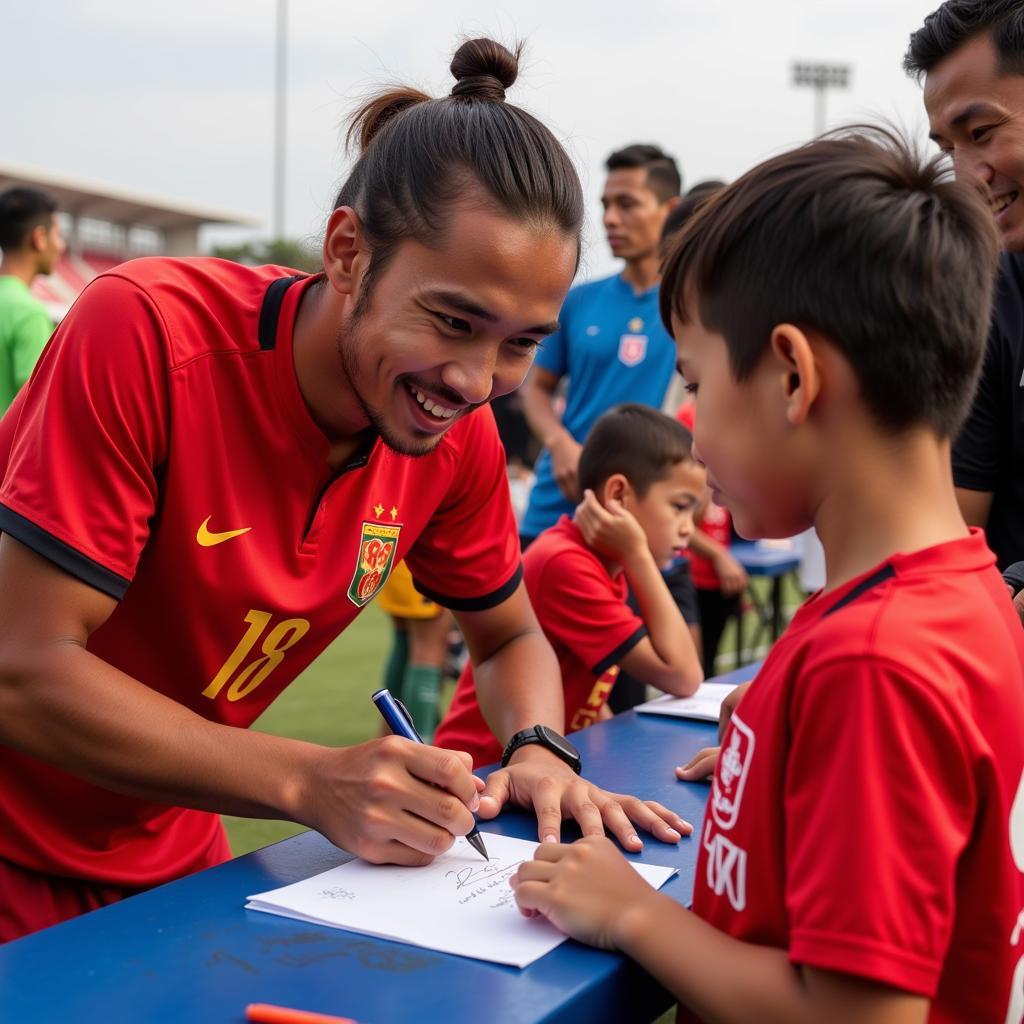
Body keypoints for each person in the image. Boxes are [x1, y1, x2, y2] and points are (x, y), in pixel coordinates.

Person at [0, 39, 690, 944]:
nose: (478, 380)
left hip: (162, 845)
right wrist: (307, 781)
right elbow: (21, 667)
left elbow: (511, 630)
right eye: (453, 320)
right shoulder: (147, 332)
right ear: (347, 252)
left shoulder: (456, 440)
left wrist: (536, 745)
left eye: (521, 342)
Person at [509, 128, 1024, 1023]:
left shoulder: (877, 661)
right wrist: (786, 746)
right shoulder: (954, 594)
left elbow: (856, 1015)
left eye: (699, 385)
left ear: (792, 374)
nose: (695, 436)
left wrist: (631, 912)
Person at [435, 404, 704, 767]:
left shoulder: (602, 565)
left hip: (526, 766)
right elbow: (683, 676)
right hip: (482, 771)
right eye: (679, 507)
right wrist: (638, 554)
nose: (688, 527)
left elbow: (588, 691)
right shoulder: (567, 564)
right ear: (619, 496)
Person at [907, 1, 1024, 589]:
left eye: (981, 134)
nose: (966, 177)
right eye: (948, 149)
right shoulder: (989, 296)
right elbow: (958, 538)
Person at [518, 143, 682, 548]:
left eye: (627, 204)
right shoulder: (578, 300)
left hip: (643, 514)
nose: (610, 218)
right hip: (559, 505)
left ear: (670, 209)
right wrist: (559, 445)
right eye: (606, 204)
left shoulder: (688, 306)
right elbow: (535, 389)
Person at [0, 186, 64, 413]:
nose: (61, 246)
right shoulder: (28, 312)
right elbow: (37, 409)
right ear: (39, 238)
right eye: (57, 234)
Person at [375, 560, 453, 741]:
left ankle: (388, 734)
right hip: (419, 565)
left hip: (389, 560)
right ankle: (421, 745)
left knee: (403, 643)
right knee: (429, 650)